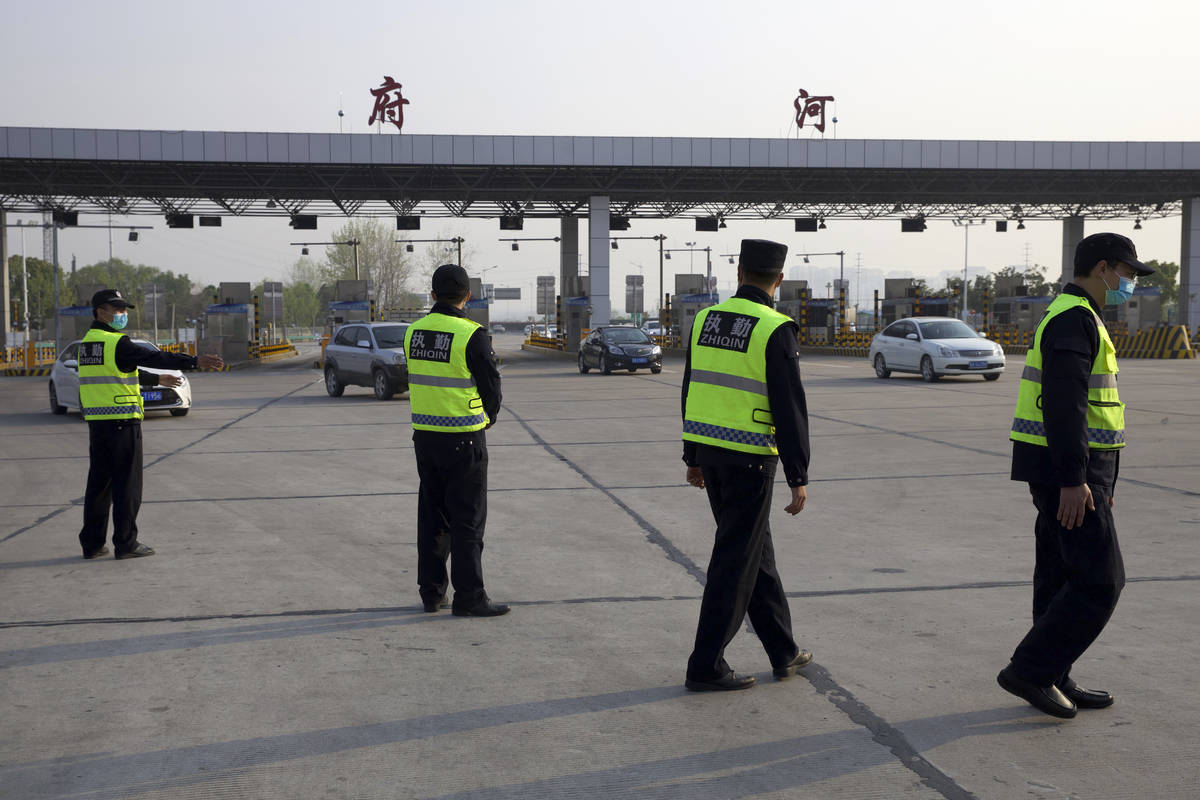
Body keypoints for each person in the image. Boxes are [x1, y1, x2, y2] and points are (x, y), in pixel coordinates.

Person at [998, 232, 1155, 718]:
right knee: (1101, 581)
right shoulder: (1073, 318)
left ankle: (1054, 673)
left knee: (1059, 572)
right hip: (1065, 469)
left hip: (1075, 469)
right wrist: (1074, 479)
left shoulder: (1077, 315)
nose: (1129, 283)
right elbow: (1066, 406)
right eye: (1127, 274)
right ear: (1103, 268)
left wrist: (1101, 480)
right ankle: (1031, 670)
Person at [680, 238, 813, 691]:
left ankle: (784, 650)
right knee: (735, 562)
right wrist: (799, 475)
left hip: (712, 456)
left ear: (738, 273)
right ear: (778, 280)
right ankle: (706, 664)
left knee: (757, 556)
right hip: (751, 460)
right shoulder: (774, 327)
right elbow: (789, 406)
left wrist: (692, 456)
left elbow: (691, 388)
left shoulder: (704, 320)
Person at [79, 289, 223, 560]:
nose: (122, 314)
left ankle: (92, 543)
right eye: (116, 309)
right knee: (127, 486)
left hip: (98, 424)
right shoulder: (116, 342)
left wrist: (158, 381)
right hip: (123, 422)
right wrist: (193, 361)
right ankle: (126, 543)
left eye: (124, 309)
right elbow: (154, 357)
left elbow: (120, 371)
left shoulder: (89, 343)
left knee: (99, 485)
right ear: (101, 311)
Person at [404, 264, 508, 617]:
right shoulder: (471, 334)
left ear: (432, 295)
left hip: (425, 439)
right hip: (464, 440)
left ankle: (432, 594)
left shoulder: (413, 333)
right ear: (467, 296)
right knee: (467, 520)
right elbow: (491, 388)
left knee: (432, 518)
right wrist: (487, 418)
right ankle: (469, 597)